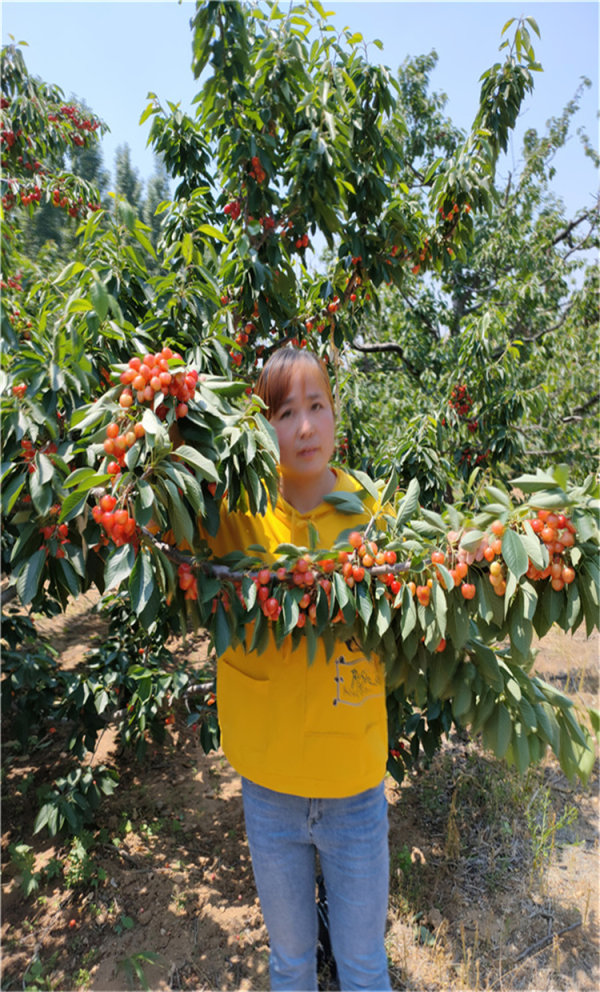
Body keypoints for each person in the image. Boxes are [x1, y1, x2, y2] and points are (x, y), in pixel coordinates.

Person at [200, 347, 392, 991]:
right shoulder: (236, 511)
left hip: (354, 787)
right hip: (271, 786)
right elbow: (159, 523)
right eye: (286, 412)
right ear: (261, 425)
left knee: (364, 962)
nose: (306, 427)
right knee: (289, 962)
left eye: (318, 407)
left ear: (336, 414)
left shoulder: (370, 511)